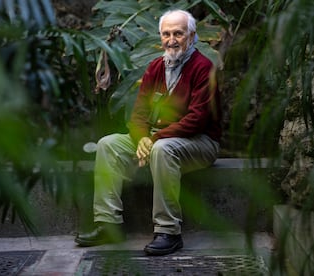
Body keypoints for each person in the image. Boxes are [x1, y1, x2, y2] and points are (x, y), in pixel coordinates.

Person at [75, 9, 221, 256]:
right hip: (157, 138)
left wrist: (152, 139)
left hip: (199, 142)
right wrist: (142, 137)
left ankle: (168, 232)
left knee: (163, 150)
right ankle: (108, 224)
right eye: (166, 34)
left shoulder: (203, 68)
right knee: (108, 144)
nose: (171, 39)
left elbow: (197, 120)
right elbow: (139, 114)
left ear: (192, 35)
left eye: (178, 33)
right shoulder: (155, 67)